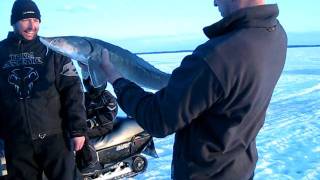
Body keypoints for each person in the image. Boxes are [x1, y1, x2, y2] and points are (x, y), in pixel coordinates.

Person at [96, 0, 287, 179]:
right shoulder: (276, 35)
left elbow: (158, 119)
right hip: (241, 169)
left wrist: (116, 79)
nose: (214, 2)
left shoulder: (218, 56)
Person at [0, 0, 87, 179]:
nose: (32, 26)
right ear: (14, 21)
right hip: (17, 142)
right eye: (26, 20)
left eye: (36, 20)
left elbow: (73, 91)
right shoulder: (1, 52)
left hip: (55, 138)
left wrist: (78, 130)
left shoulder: (53, 51)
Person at [76, 75, 118, 176]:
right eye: (89, 81)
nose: (90, 84)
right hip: (88, 124)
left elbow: (109, 115)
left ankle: (91, 163)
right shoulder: (85, 96)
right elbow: (76, 108)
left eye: (93, 82)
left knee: (80, 134)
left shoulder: (107, 97)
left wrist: (92, 122)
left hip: (103, 126)